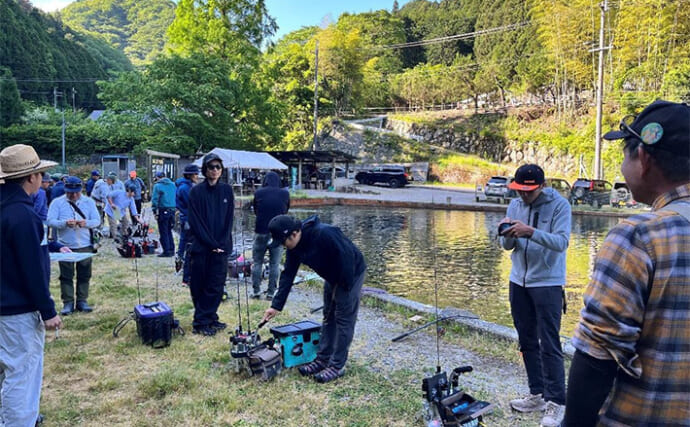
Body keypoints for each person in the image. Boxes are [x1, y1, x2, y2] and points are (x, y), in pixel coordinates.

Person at [564, 100, 690, 426]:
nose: (622, 165)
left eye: (624, 153)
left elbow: (596, 358)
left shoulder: (639, 238)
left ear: (644, 159)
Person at [498, 163, 570, 427]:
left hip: (548, 282)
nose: (523, 196)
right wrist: (506, 234)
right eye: (519, 191)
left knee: (549, 342)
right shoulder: (515, 205)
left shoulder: (560, 206)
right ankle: (537, 393)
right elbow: (506, 246)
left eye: (528, 191)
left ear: (542, 186)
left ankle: (556, 402)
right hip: (518, 281)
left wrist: (531, 232)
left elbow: (562, 242)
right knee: (526, 339)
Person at [261, 214, 367, 384]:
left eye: (283, 241)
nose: (283, 245)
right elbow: (288, 275)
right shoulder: (294, 248)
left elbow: (347, 256)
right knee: (328, 316)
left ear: (294, 234)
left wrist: (343, 289)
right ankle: (323, 359)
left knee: (343, 318)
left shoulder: (324, 234)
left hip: (351, 272)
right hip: (331, 275)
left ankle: (337, 365)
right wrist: (276, 306)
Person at [0, 144, 62, 427]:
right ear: (30, 178)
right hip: (17, 308)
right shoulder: (23, 216)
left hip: (5, 304)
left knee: (7, 370)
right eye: (39, 174)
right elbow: (33, 270)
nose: (41, 179)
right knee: (22, 373)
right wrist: (47, 310)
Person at [187, 153, 234, 336]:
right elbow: (195, 221)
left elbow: (229, 218)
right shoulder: (196, 192)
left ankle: (210, 316)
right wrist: (210, 243)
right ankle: (201, 321)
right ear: (205, 170)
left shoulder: (227, 191)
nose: (214, 170)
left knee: (217, 283)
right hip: (202, 246)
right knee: (200, 283)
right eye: (211, 167)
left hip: (221, 246)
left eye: (218, 167)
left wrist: (221, 243)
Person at [47, 176, 100, 315]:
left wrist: (85, 223)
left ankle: (82, 300)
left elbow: (97, 220)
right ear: (65, 190)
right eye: (71, 192)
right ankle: (68, 302)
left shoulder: (89, 202)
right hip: (65, 245)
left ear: (81, 190)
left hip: (85, 244)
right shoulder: (57, 203)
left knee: (85, 274)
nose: (74, 195)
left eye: (76, 192)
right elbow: (50, 221)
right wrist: (64, 223)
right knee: (66, 275)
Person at [250, 171, 290, 300]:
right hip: (278, 234)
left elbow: (256, 210)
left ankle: (256, 291)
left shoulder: (259, 192)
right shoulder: (285, 193)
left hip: (261, 231)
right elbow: (285, 210)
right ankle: (271, 293)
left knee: (257, 262)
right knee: (275, 264)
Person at [175, 164, 200, 286]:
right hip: (189, 221)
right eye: (195, 174)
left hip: (189, 219)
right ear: (189, 175)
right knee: (190, 248)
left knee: (186, 244)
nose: (197, 176)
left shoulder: (188, 186)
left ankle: (186, 272)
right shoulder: (185, 188)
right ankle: (187, 278)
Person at [151, 171, 177, 257]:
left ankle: (166, 251)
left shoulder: (157, 186)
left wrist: (154, 210)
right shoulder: (173, 185)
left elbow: (155, 199)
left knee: (163, 231)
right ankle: (172, 249)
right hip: (172, 210)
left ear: (158, 178)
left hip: (163, 210)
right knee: (169, 230)